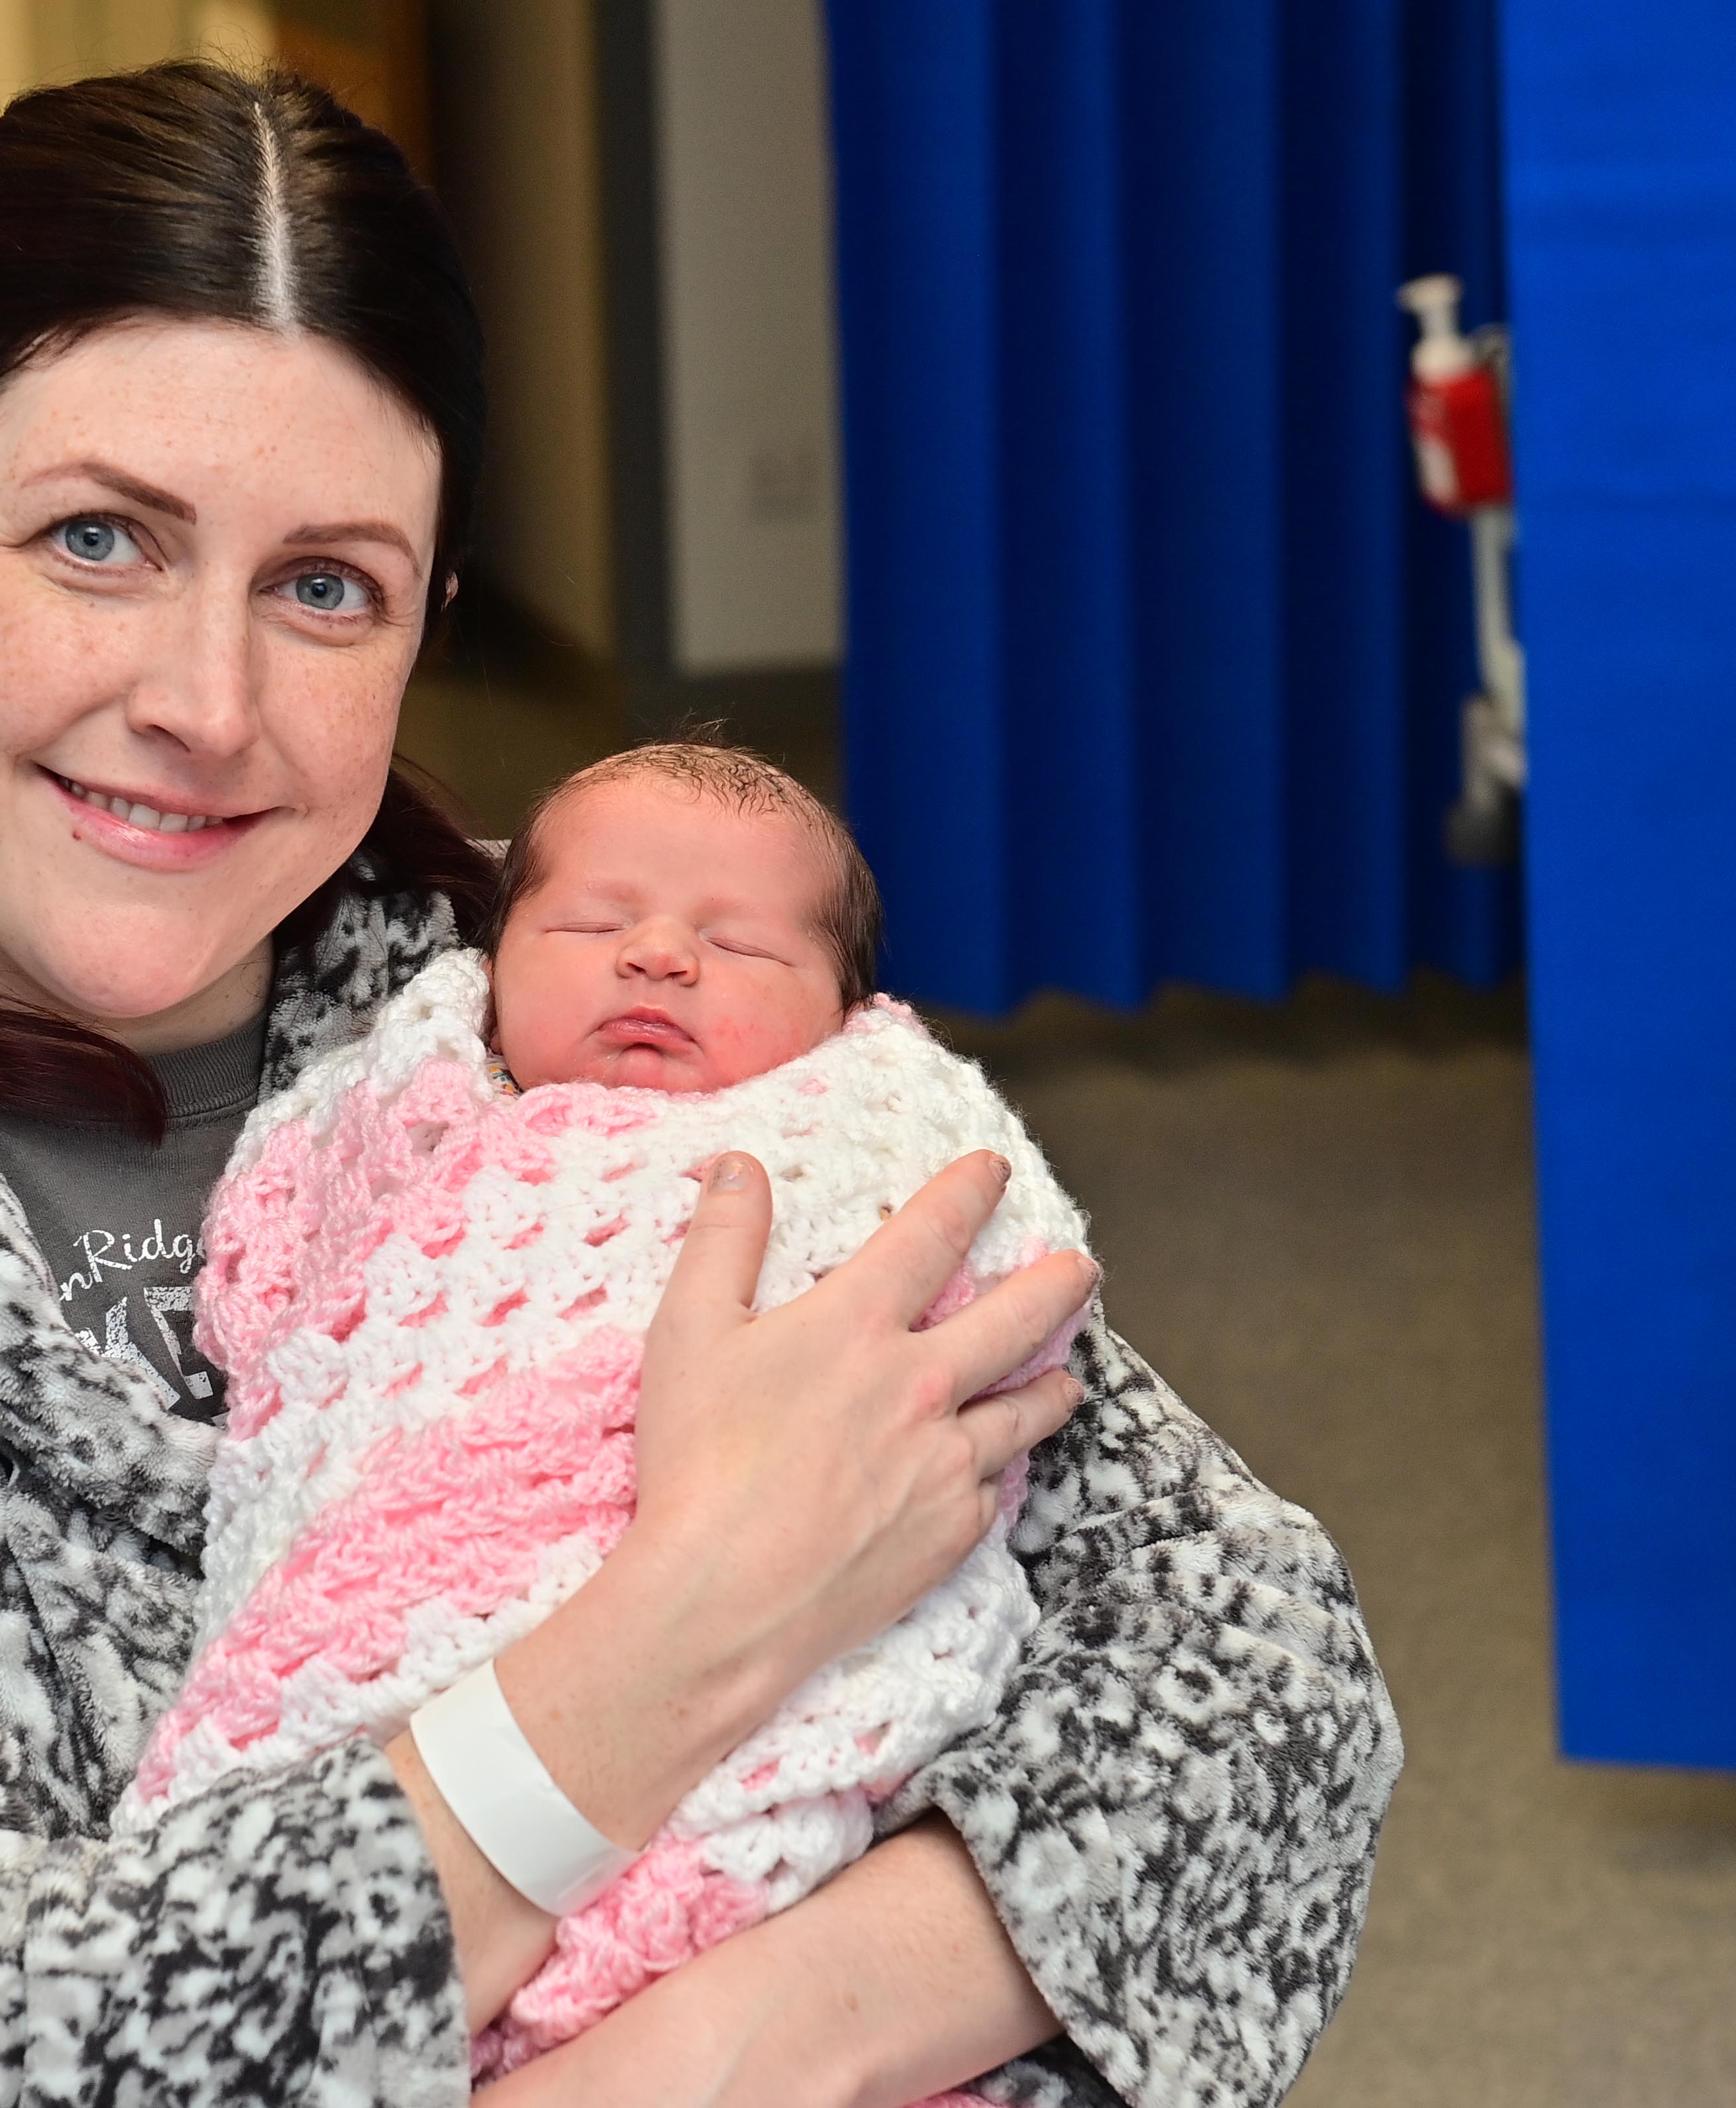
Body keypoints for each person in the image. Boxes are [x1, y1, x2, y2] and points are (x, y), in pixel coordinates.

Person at [0, 61, 1403, 2108]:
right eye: (96, 538)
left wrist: (704, 2061)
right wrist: (684, 1628)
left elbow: (1264, 1695)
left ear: (423, 624)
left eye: (322, 588)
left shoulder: (570, 1030)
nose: (206, 707)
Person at [125, 742, 1093, 2087]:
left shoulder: (870, 1119)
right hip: (428, 1611)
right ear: (494, 960)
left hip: (772, 1631)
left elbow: (1017, 1291)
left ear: (846, 1008)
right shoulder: (401, 1096)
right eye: (591, 921)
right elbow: (282, 1285)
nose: (655, 957)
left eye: (738, 947)